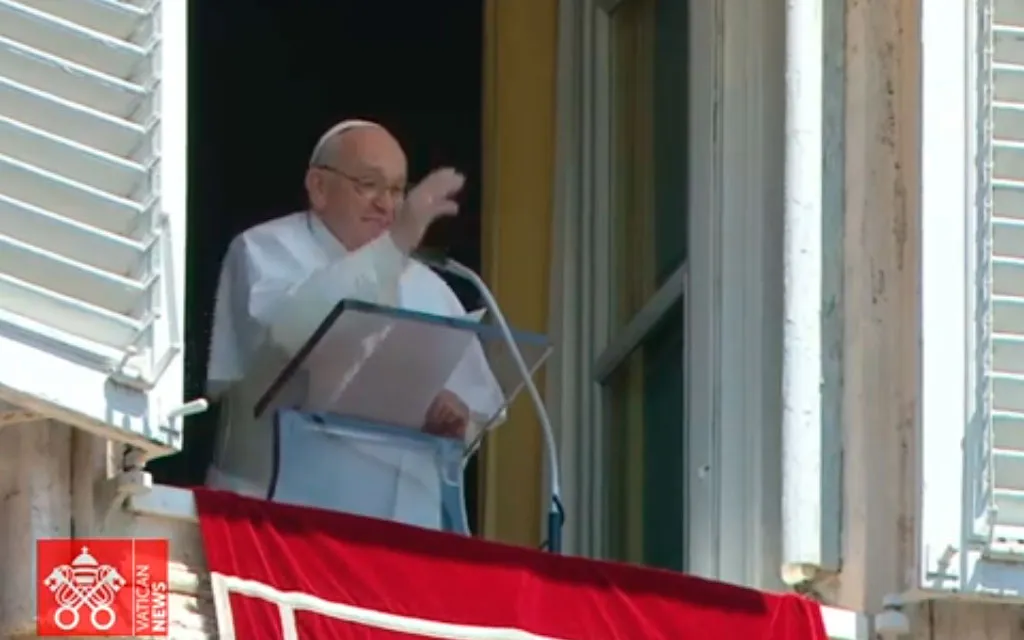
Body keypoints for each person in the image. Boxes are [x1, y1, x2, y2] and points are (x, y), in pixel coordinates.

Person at [204, 119, 502, 508]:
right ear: (319, 187)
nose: (388, 205)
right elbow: (295, 337)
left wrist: (456, 421)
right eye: (369, 184)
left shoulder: (432, 287)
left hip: (390, 528)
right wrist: (392, 249)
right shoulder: (265, 250)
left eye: (397, 190)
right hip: (273, 515)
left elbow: (471, 420)